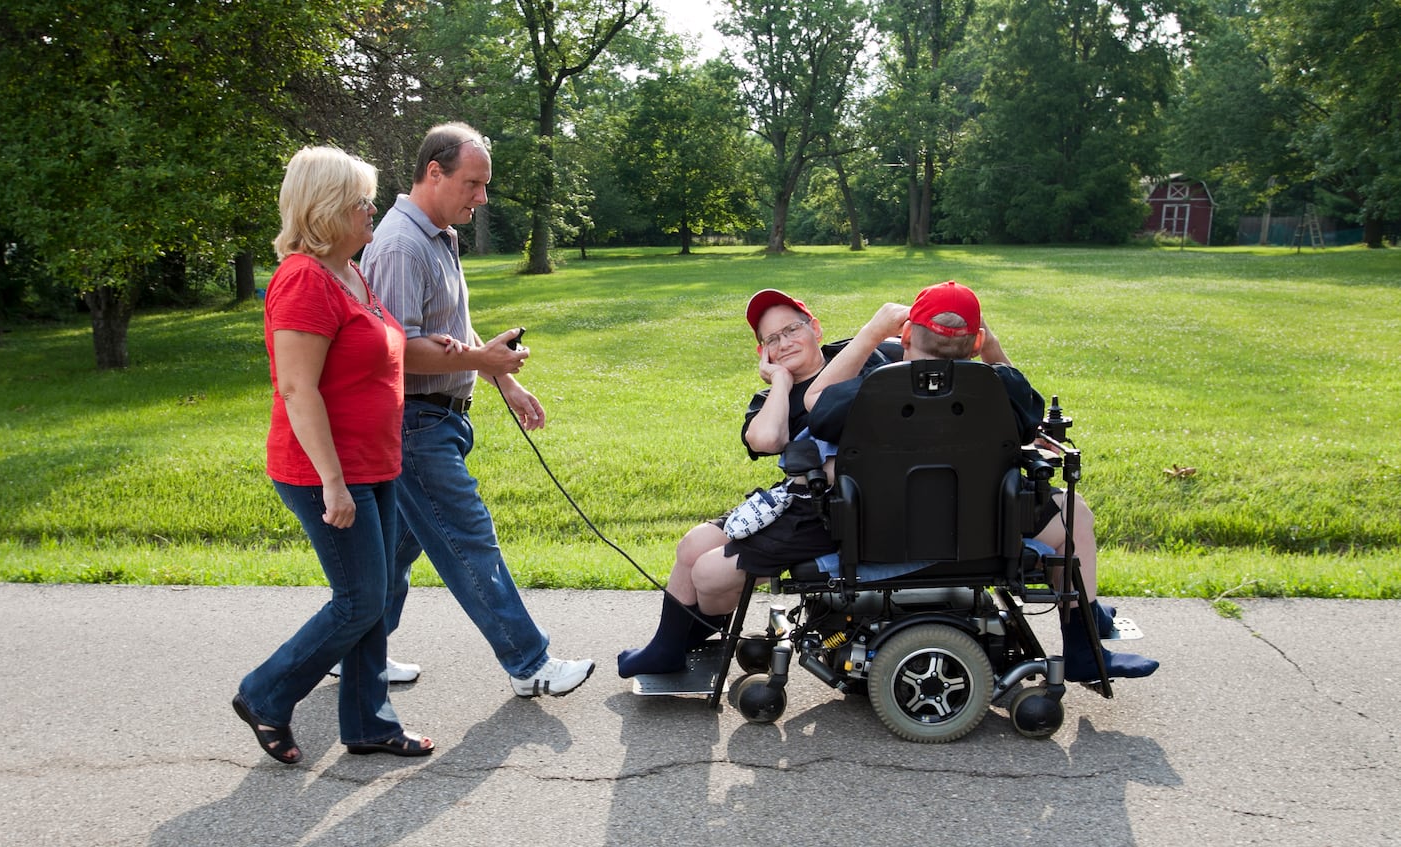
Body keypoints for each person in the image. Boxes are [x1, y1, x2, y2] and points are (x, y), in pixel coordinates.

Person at [696, 279, 1158, 683]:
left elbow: (816, 406)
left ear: (903, 337)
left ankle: (1087, 621)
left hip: (880, 527)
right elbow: (1024, 400)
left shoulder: (867, 390)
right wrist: (988, 346)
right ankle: (1082, 639)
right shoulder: (1002, 390)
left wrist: (872, 332)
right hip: (980, 523)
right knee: (1076, 517)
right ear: (977, 341)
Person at [357, 121, 594, 698]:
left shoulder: (437, 234)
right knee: (469, 540)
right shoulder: (399, 245)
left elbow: (449, 329)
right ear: (433, 173)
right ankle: (528, 663)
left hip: (441, 417)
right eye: (473, 183)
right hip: (415, 422)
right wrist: (481, 359)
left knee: (395, 549)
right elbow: (396, 351)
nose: (481, 197)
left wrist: (498, 377)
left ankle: (354, 655)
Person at [231, 146, 435, 766]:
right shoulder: (302, 280)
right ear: (324, 211)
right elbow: (297, 388)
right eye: (360, 202)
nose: (372, 210)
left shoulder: (350, 269)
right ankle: (266, 692)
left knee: (372, 599)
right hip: (328, 472)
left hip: (374, 463)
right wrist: (332, 482)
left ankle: (368, 722)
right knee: (360, 600)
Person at [617, 289, 900, 677]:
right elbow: (766, 441)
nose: (784, 343)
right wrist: (782, 383)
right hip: (801, 499)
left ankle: (698, 631)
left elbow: (929, 345)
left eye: (793, 330)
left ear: (815, 327)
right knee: (692, 545)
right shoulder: (769, 398)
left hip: (842, 508)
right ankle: (670, 645)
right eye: (772, 339)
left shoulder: (862, 355)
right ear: (763, 352)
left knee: (708, 574)